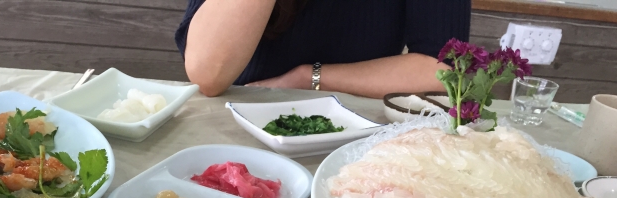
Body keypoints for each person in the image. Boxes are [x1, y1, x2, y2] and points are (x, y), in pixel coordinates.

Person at [175, 0, 471, 98]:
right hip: (236, 120)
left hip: (359, 135)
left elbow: (442, 71)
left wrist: (309, 78)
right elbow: (208, 72)